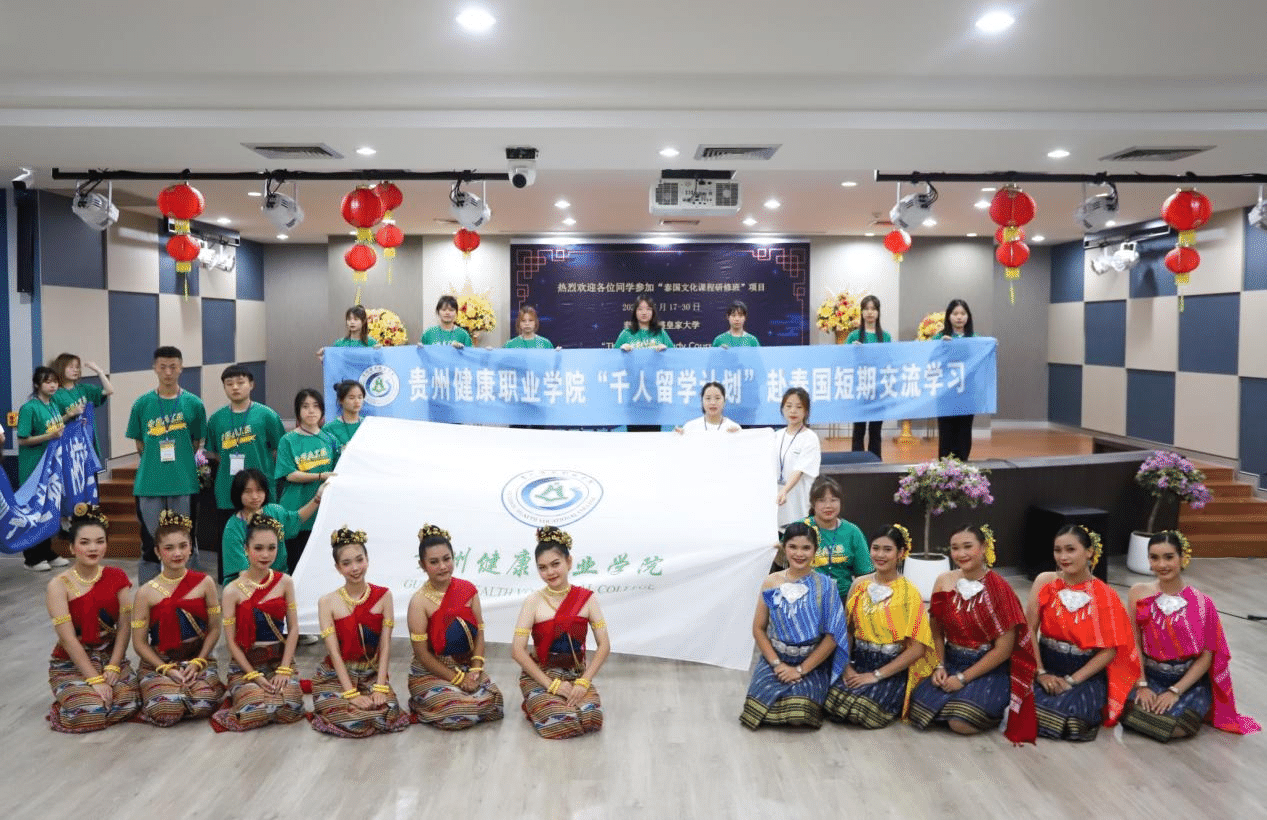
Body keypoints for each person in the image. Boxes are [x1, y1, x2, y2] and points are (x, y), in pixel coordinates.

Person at [1121, 531, 1260, 741]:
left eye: (1169, 557)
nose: (1162, 564)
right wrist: (1142, 685)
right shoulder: (1138, 593)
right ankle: (1148, 717)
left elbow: (1207, 656)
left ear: (1182, 558)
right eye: (1155, 558)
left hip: (1187, 682)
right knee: (1128, 712)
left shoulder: (1202, 603)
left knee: (1179, 728)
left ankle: (1166, 717)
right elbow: (1134, 643)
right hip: (1149, 676)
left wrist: (1175, 691)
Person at [909, 524, 1038, 743]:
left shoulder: (1000, 589)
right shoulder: (944, 580)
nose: (961, 554)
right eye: (955, 548)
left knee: (960, 723)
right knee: (918, 709)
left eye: (968, 546)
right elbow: (936, 631)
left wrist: (963, 678)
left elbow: (1004, 650)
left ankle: (994, 707)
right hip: (953, 660)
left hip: (988, 667)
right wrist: (939, 665)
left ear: (983, 547)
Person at [1026, 524, 1139, 741]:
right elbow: (1029, 629)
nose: (1063, 557)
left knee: (1071, 719)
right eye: (1057, 550)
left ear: (1089, 552)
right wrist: (1040, 673)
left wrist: (1071, 681)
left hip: (1085, 672)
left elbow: (1109, 651)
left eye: (1070, 550)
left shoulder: (1106, 595)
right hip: (1046, 663)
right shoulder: (1045, 582)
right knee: (1023, 710)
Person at [825, 524, 937, 728]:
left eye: (888, 549)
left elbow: (918, 648)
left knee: (861, 711)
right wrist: (846, 667)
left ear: (900, 553)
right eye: (876, 548)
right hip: (859, 661)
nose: (880, 555)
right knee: (830, 703)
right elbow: (847, 632)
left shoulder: (909, 593)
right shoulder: (859, 585)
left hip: (891, 668)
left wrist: (876, 676)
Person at [740, 522, 850, 730]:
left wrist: (800, 669)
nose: (799, 554)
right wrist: (777, 664)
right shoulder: (771, 582)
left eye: (806, 548)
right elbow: (758, 629)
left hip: (812, 662)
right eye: (793, 547)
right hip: (776, 659)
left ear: (815, 551)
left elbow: (833, 636)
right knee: (757, 713)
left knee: (799, 714)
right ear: (784, 548)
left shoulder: (826, 585)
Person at [44, 504, 140, 732]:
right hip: (72, 662)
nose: (93, 548)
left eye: (99, 541)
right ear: (72, 547)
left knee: (131, 702)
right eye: (85, 542)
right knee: (90, 712)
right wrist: (95, 680)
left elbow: (124, 627)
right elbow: (68, 639)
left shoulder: (117, 576)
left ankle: (92, 701)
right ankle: (77, 703)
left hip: (109, 657)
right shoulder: (58, 585)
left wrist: (114, 666)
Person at [310, 527, 410, 738]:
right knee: (353, 719)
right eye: (346, 563)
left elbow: (385, 646)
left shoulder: (384, 596)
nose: (355, 568)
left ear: (367, 559)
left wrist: (380, 686)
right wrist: (350, 694)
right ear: (338, 568)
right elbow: (334, 653)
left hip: (370, 674)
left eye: (359, 560)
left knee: (389, 712)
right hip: (335, 677)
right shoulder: (326, 602)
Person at [511, 526, 609, 739]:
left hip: (576, 674)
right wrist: (551, 685)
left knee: (592, 718)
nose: (550, 572)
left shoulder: (587, 599)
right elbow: (517, 651)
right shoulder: (533, 601)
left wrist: (584, 681)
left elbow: (604, 645)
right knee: (561, 720)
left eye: (555, 564)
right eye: (543, 568)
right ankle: (537, 702)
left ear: (569, 562)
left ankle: (546, 705)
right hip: (542, 675)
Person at [210, 513, 305, 732]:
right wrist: (254, 676)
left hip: (278, 660)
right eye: (258, 548)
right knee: (256, 709)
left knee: (290, 705)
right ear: (246, 549)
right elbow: (231, 641)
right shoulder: (232, 590)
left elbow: (293, 629)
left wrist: (284, 669)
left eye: (271, 548)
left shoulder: (285, 582)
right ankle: (248, 695)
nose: (265, 554)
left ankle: (266, 695)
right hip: (246, 665)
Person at [130, 510, 224, 726]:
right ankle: (165, 692)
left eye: (183, 546)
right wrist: (166, 669)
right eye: (169, 548)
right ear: (157, 551)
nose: (177, 553)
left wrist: (199, 661)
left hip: (197, 659)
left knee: (204, 703)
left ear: (191, 548)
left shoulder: (205, 583)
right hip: (161, 661)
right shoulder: (145, 592)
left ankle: (179, 693)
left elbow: (214, 629)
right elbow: (139, 643)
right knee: (167, 710)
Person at [408, 524, 505, 729]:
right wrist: (458, 680)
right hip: (432, 671)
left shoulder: (468, 589)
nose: (443, 566)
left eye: (447, 559)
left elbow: (479, 632)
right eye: (434, 562)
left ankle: (453, 701)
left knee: (495, 701)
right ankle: (424, 703)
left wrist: (476, 669)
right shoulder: (419, 602)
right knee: (458, 710)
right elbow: (422, 654)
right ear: (422, 565)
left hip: (466, 666)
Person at [125, 345, 207, 584]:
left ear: (181, 368)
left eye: (173, 367)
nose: (168, 372)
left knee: (185, 541)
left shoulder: (193, 404)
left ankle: (189, 591)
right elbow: (140, 444)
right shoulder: (142, 404)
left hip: (184, 483)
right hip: (149, 484)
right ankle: (149, 594)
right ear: (154, 368)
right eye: (163, 367)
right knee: (151, 542)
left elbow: (196, 442)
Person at [204, 364, 285, 557]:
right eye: (229, 383)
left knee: (263, 544)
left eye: (240, 382)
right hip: (228, 490)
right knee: (231, 546)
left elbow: (278, 450)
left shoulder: (267, 415)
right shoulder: (216, 419)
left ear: (251, 385)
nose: (235, 387)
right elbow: (215, 454)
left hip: (260, 492)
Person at [221, 468, 324, 583]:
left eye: (259, 490)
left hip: (278, 578)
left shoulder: (274, 511)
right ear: (238, 493)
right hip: (245, 585)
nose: (254, 496)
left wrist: (317, 498)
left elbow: (296, 519)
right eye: (248, 491)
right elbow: (241, 571)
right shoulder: (233, 528)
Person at [274, 389, 338, 574]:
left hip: (321, 511)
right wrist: (320, 476)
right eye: (305, 406)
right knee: (295, 564)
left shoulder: (330, 439)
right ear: (298, 411)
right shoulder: (288, 440)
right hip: (295, 508)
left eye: (316, 406)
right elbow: (289, 474)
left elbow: (337, 472)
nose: (311, 411)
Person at [16, 367, 71, 571]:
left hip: (51, 468)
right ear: (37, 385)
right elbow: (22, 440)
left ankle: (47, 551)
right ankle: (31, 557)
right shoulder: (29, 408)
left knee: (48, 511)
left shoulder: (53, 405)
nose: (53, 385)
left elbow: (55, 427)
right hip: (33, 469)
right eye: (47, 382)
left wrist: (69, 417)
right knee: (34, 513)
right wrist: (49, 436)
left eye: (55, 381)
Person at [802, 475, 871, 598]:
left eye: (833, 500)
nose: (828, 506)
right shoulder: (801, 528)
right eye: (822, 500)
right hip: (807, 597)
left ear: (840, 502)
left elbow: (865, 574)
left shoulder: (852, 532)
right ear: (813, 503)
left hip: (845, 597)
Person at [846, 295, 892, 459]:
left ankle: (875, 462)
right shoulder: (853, 336)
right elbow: (845, 360)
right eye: (866, 309)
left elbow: (889, 361)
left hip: (878, 389)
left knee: (875, 431)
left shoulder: (885, 337)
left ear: (878, 312)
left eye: (873, 309)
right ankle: (856, 462)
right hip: (859, 389)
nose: (870, 312)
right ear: (861, 312)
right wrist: (853, 352)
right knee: (858, 430)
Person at [50, 351, 113, 466]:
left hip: (87, 442)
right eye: (71, 367)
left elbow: (109, 390)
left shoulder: (84, 389)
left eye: (77, 367)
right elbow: (52, 424)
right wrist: (70, 414)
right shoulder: (56, 395)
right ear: (61, 368)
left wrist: (99, 371)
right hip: (68, 445)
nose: (75, 370)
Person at [775, 387, 820, 533]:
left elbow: (799, 470)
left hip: (797, 503)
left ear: (806, 411)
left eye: (799, 407)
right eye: (788, 406)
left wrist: (785, 490)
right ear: (782, 409)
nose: (793, 411)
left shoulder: (810, 438)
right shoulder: (776, 436)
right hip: (777, 503)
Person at [936, 299, 975, 461]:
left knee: (964, 431)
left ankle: (962, 466)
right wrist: (940, 346)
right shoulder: (940, 337)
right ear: (948, 316)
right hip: (945, 394)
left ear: (968, 316)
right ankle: (944, 468)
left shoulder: (974, 339)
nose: (959, 317)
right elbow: (931, 360)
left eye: (963, 313)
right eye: (955, 313)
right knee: (946, 432)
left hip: (967, 393)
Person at [324, 380, 366, 452]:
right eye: (351, 398)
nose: (357, 401)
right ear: (341, 400)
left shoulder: (368, 425)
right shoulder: (329, 428)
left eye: (360, 397)